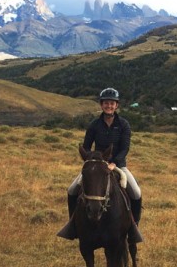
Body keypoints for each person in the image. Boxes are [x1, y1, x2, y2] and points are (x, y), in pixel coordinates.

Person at [58, 87, 143, 240]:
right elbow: (86, 146)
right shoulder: (94, 125)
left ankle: (134, 227)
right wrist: (91, 160)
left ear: (116, 105)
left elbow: (125, 148)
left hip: (118, 165)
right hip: (97, 165)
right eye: (106, 103)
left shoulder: (124, 125)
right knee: (72, 190)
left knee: (136, 193)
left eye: (112, 103)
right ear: (101, 105)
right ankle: (73, 224)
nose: (109, 106)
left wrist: (113, 163)